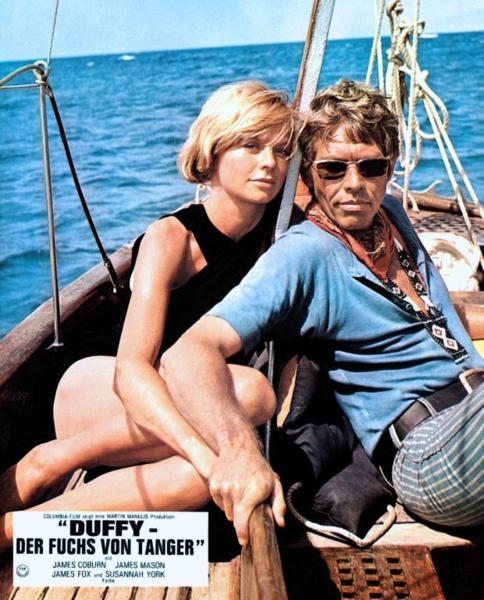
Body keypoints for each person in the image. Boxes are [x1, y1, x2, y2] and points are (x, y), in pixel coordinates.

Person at [161, 79, 484, 546]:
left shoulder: (392, 215)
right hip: (427, 453)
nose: (354, 185)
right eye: (333, 169)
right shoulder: (304, 254)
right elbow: (189, 352)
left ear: (390, 166)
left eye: (371, 167)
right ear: (310, 174)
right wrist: (238, 451)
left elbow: (432, 315)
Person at [0, 81, 301, 552]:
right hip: (104, 393)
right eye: (250, 145)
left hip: (195, 405)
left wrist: (210, 465)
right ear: (212, 153)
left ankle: (17, 530)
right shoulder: (172, 239)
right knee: (250, 394)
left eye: (282, 151)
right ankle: (49, 460)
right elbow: (132, 370)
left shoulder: (283, 234)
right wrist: (209, 456)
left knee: (198, 483)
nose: (269, 162)